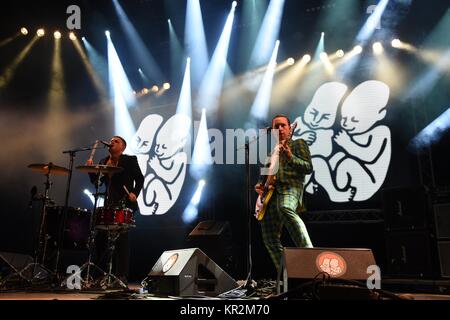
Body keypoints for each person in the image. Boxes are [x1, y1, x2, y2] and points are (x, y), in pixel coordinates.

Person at [255, 115, 314, 275]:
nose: (279, 129)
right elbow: (263, 178)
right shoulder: (270, 153)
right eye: (276, 127)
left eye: (283, 125)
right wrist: (260, 186)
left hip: (290, 188)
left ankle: (310, 254)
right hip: (270, 196)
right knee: (268, 237)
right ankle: (288, 274)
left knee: (285, 207)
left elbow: (308, 167)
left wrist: (289, 156)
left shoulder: (298, 144)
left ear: (289, 128)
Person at [86, 136, 144, 286]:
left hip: (125, 203)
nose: (112, 142)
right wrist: (91, 171)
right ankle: (103, 274)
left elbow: (140, 178)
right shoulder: (103, 161)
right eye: (111, 140)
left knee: (121, 241)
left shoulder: (130, 160)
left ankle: (121, 276)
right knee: (101, 239)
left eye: (116, 141)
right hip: (108, 203)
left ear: (123, 147)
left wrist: (135, 193)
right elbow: (96, 183)